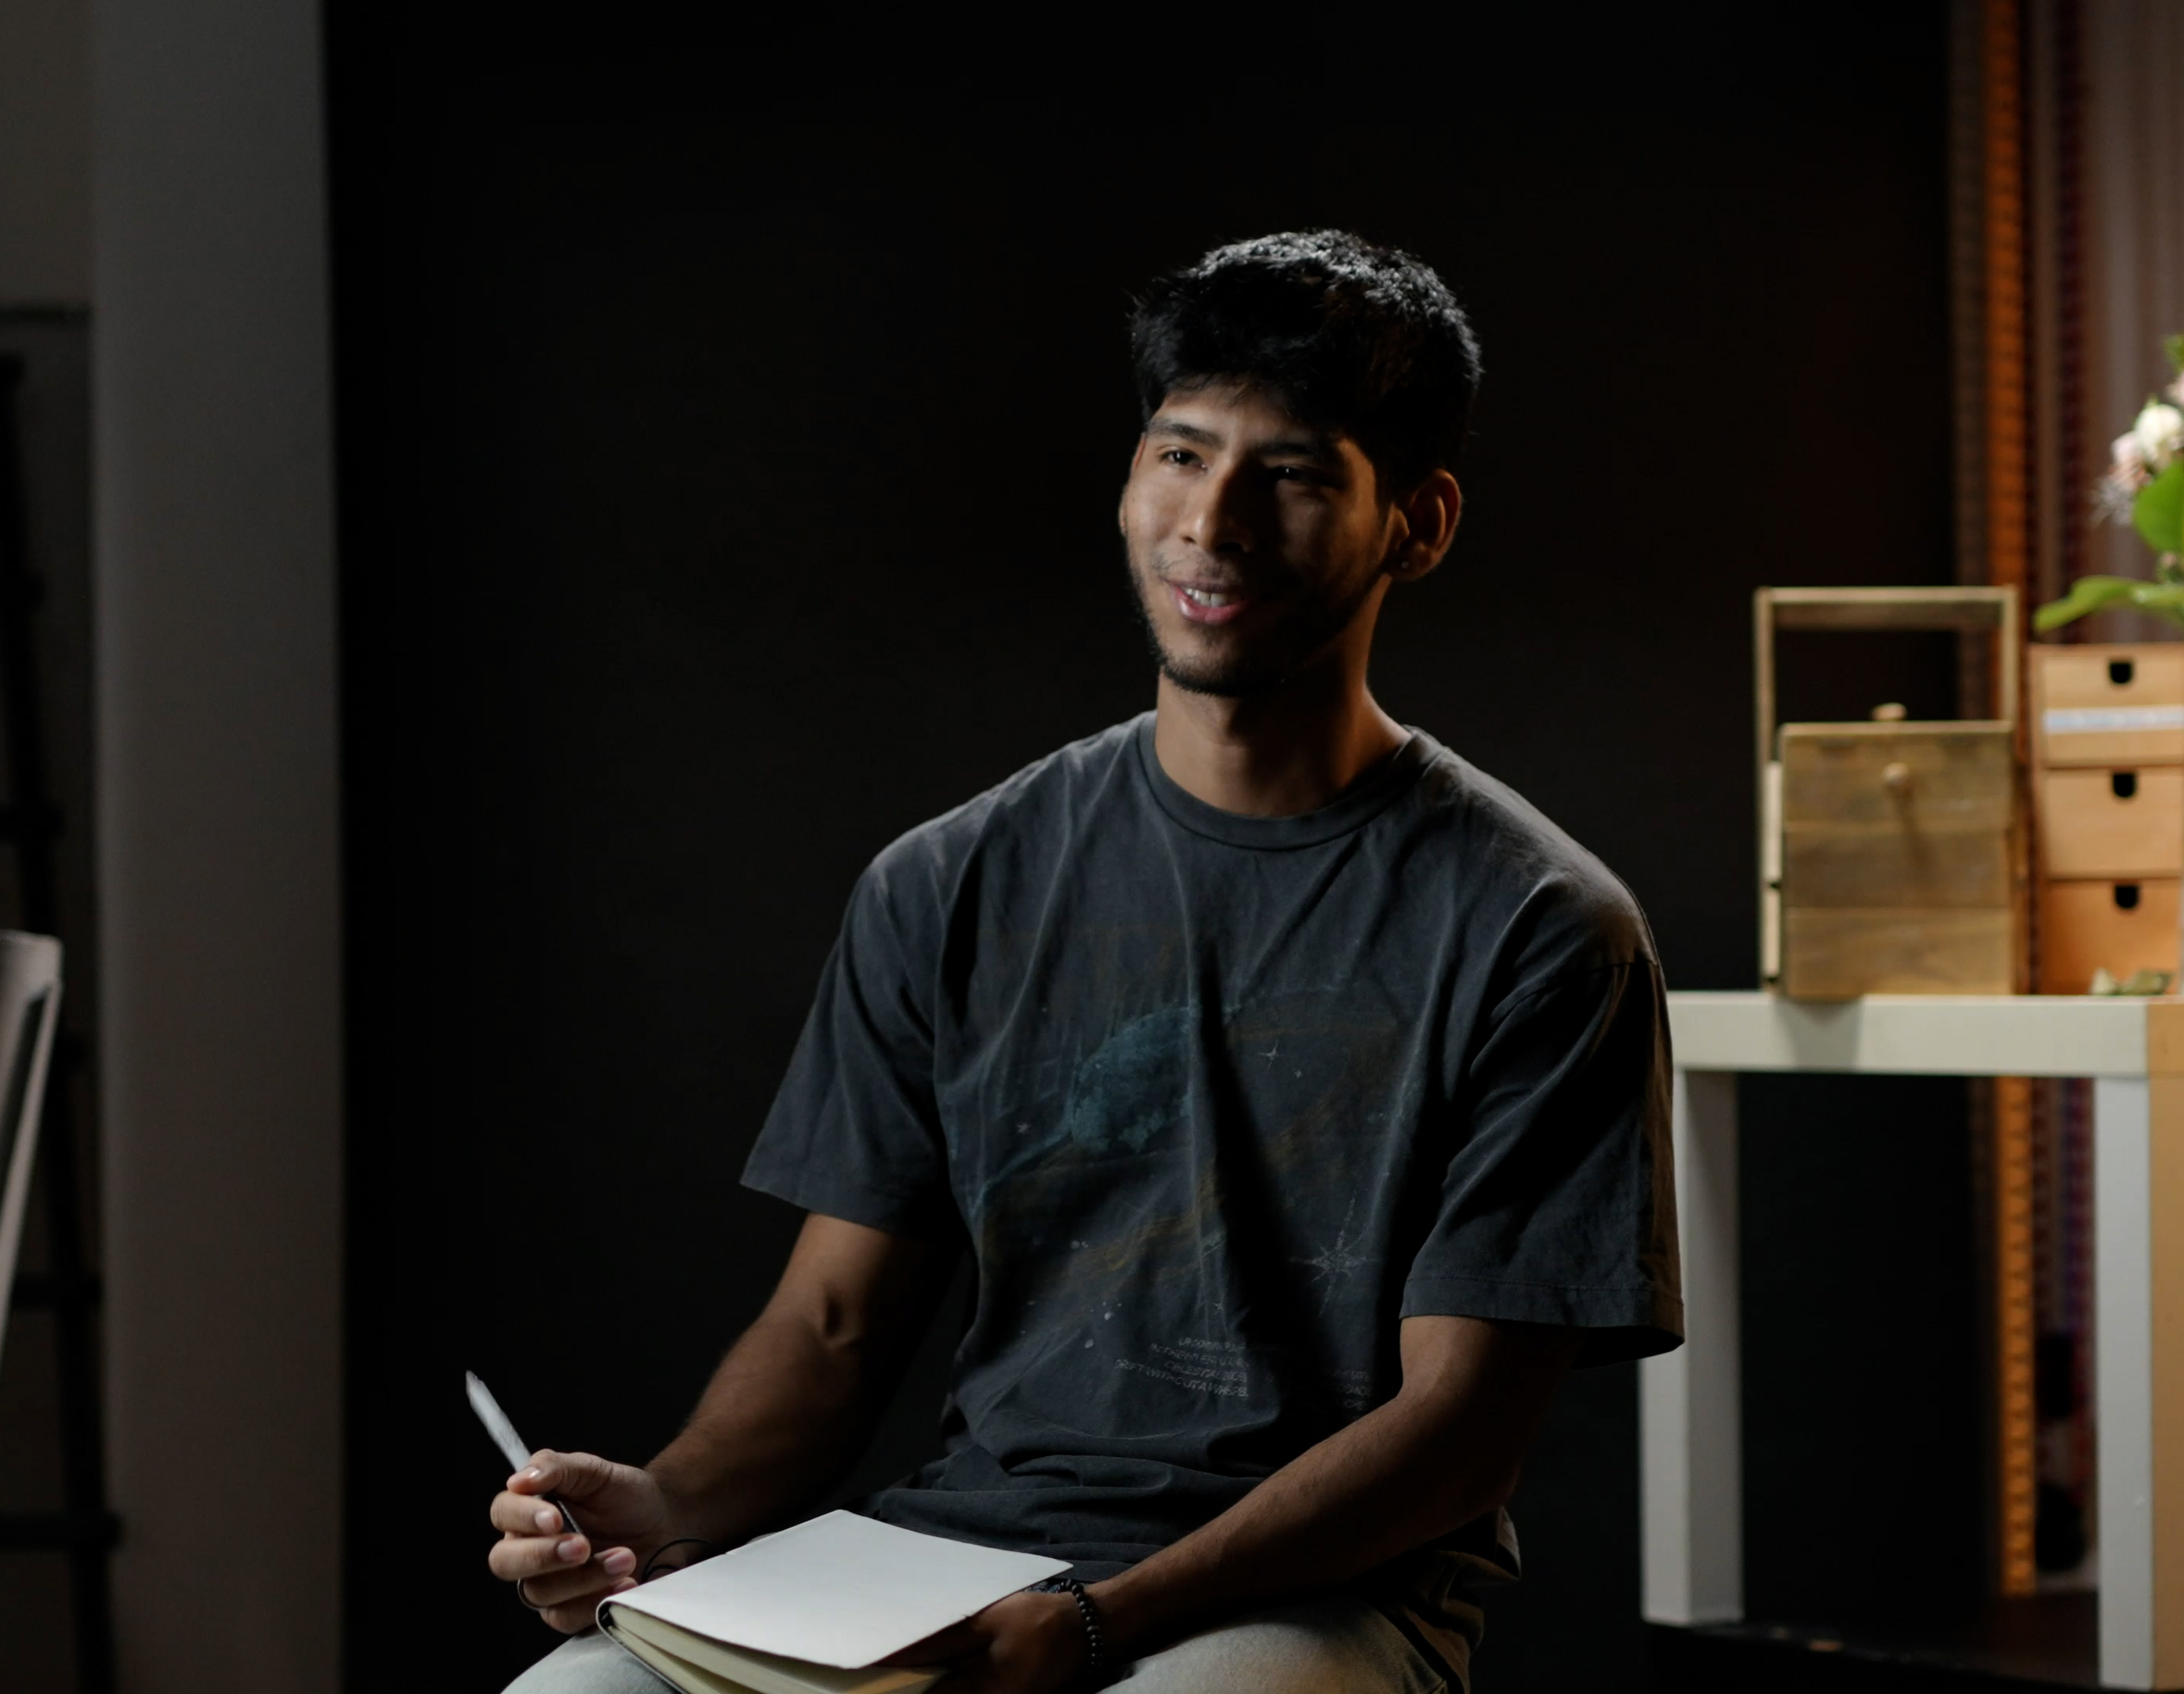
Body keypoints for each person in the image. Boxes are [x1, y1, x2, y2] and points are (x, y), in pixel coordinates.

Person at [493, 230, 1680, 1694]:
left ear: (1417, 525)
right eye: (1181, 455)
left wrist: (1108, 1620)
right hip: (946, 1562)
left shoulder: (1539, 929)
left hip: (1316, 1599)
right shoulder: (950, 881)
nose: (1212, 522)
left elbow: (1459, 1434)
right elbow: (833, 1323)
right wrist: (667, 1507)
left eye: (1293, 475)